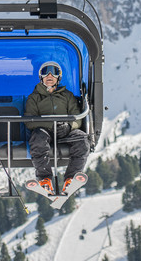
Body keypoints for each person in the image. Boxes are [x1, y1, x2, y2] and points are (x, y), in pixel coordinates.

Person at [25, 61, 89, 194]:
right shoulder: (34, 97)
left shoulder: (67, 96)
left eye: (53, 72)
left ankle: (71, 178)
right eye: (45, 72)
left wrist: (68, 126)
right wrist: (50, 124)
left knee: (82, 140)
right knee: (37, 138)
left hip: (65, 132)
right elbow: (29, 121)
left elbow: (77, 117)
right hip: (45, 131)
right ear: (40, 77)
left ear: (58, 77)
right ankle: (45, 178)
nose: (49, 75)